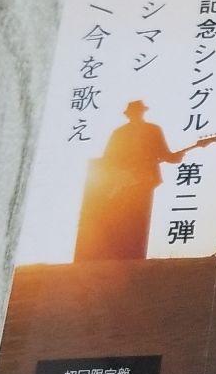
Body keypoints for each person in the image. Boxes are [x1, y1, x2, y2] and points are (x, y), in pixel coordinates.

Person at [74, 100, 187, 261]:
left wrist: (177, 157)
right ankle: (121, 253)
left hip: (143, 180)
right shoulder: (121, 133)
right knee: (124, 217)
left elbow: (166, 155)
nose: (135, 115)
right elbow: (109, 158)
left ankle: (132, 254)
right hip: (123, 181)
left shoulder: (151, 130)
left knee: (138, 216)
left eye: (137, 111)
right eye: (134, 112)